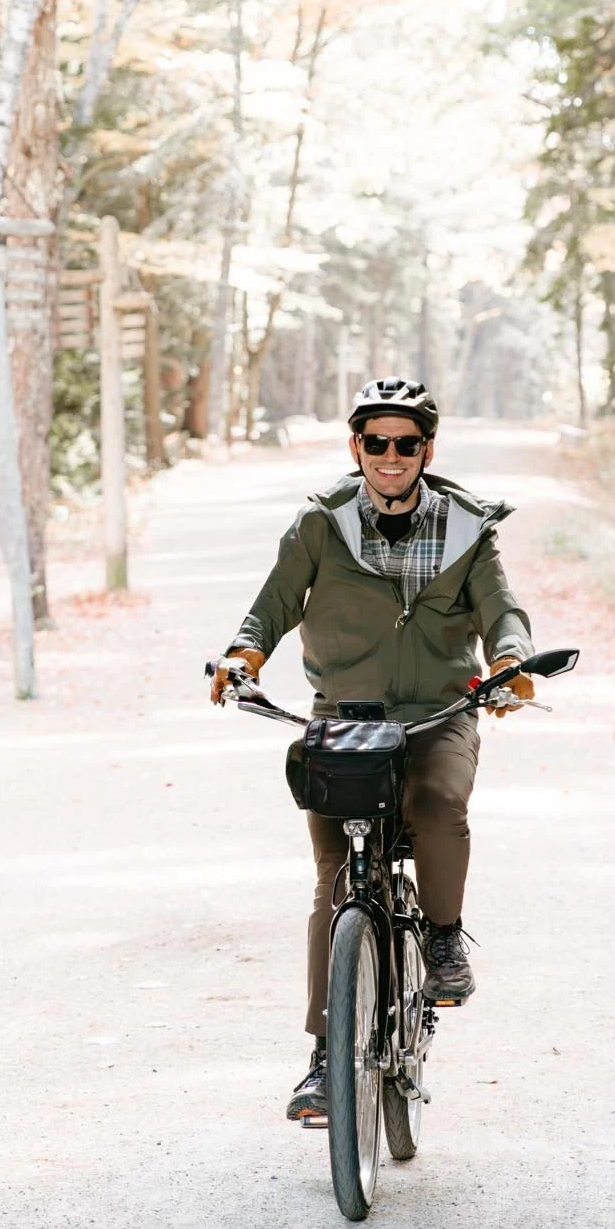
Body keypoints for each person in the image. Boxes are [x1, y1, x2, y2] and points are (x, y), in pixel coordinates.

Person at [210, 376, 535, 1124]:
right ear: (356, 448)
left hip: (437, 715)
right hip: (343, 719)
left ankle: (445, 941)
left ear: (427, 450)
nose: (392, 456)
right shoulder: (319, 528)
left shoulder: (467, 529)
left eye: (407, 443)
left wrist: (512, 662)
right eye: (377, 442)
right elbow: (268, 611)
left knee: (438, 803)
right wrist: (241, 658)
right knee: (334, 880)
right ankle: (326, 1059)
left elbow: (502, 612)